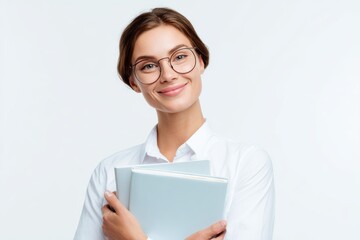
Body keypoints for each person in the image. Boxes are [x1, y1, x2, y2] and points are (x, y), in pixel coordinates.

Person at [74, 7, 275, 240]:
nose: (168, 75)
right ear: (134, 82)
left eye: (180, 57)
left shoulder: (246, 164)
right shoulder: (108, 173)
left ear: (200, 61)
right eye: (148, 66)